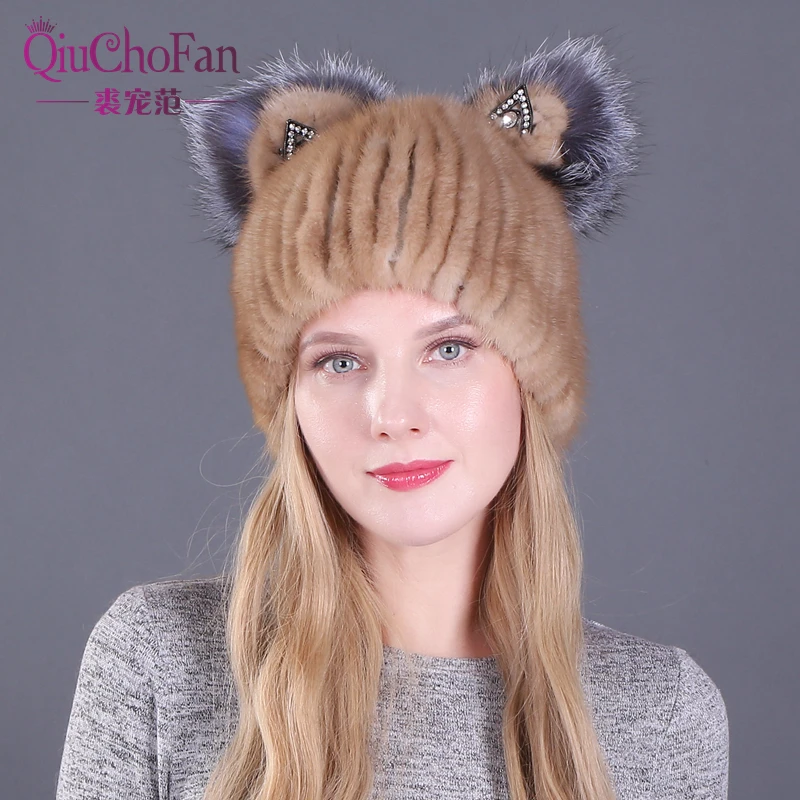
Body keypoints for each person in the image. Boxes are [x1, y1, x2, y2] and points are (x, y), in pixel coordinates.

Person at [55, 37, 729, 800]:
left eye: (449, 349)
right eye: (340, 362)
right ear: (292, 402)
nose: (392, 415)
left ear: (529, 378)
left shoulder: (660, 714)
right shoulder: (159, 663)